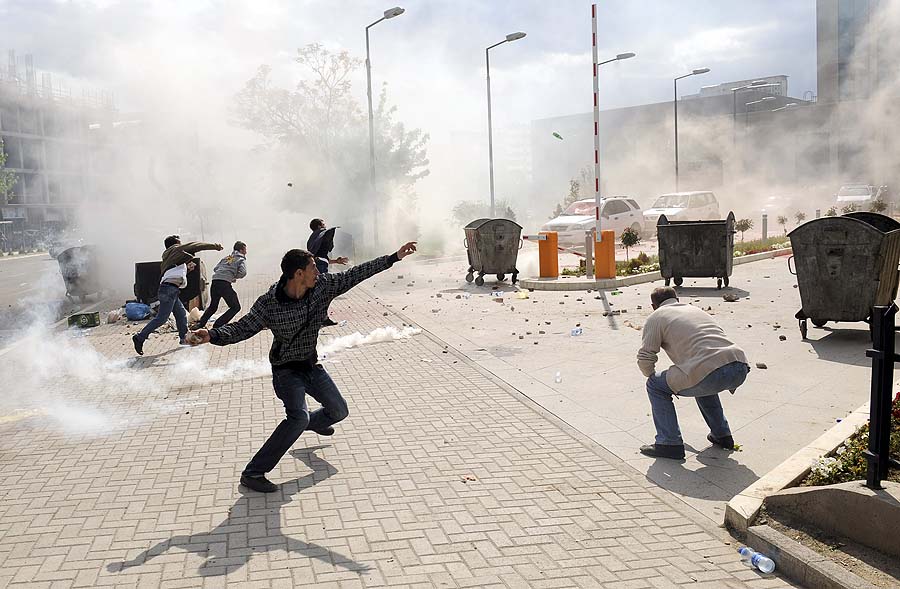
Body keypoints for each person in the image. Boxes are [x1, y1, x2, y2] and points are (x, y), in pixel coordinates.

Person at [189, 241, 418, 493]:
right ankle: (253, 473)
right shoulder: (269, 303)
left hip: (311, 365)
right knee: (298, 416)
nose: (318, 272)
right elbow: (243, 328)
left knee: (339, 411)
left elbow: (356, 274)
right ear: (298, 273)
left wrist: (393, 257)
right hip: (286, 371)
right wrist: (213, 335)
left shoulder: (322, 287)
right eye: (313, 268)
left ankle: (308, 424)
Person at [636, 286, 750, 459]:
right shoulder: (695, 310)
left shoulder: (656, 316)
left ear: (653, 306)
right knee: (699, 376)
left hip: (709, 370)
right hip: (739, 366)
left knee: (655, 385)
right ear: (677, 299)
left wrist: (650, 375)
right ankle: (722, 436)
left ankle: (669, 443)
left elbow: (645, 357)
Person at [132, 235, 223, 356]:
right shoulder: (176, 249)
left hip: (171, 290)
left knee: (181, 315)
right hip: (169, 290)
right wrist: (215, 246)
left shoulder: (171, 258)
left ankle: (184, 339)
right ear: (175, 244)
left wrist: (188, 269)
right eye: (180, 243)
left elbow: (173, 273)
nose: (182, 246)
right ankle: (140, 337)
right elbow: (196, 246)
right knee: (162, 318)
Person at [196, 241, 247, 330]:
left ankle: (200, 324)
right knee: (235, 307)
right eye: (245, 249)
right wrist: (232, 276)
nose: (246, 252)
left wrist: (224, 274)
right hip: (224, 284)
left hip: (215, 281)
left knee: (213, 306)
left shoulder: (228, 258)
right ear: (241, 250)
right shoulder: (241, 259)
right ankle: (218, 324)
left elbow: (216, 268)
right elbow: (243, 273)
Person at [307, 218, 348, 327]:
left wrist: (336, 261)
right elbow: (318, 258)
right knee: (323, 292)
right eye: (323, 224)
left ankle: (321, 317)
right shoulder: (320, 236)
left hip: (320, 265)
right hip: (320, 267)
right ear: (319, 226)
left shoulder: (313, 240)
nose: (325, 226)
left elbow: (322, 258)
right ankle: (322, 318)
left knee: (320, 292)